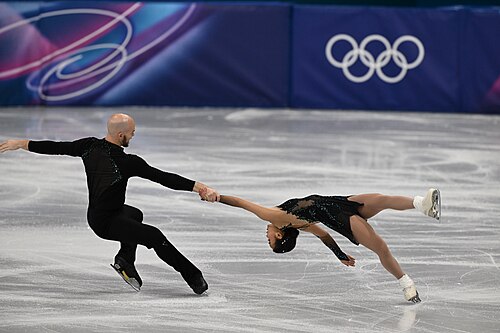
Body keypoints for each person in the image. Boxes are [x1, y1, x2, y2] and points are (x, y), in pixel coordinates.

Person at [0, 113, 220, 295]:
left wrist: (22, 143)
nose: (133, 136)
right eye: (132, 133)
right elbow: (163, 177)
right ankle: (193, 276)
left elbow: (57, 147)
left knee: (135, 214)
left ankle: (125, 259)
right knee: (155, 237)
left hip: (99, 215)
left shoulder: (88, 146)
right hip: (107, 223)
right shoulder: (127, 162)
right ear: (121, 134)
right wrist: (199, 187)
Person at [218, 189, 441, 303]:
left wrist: (339, 254)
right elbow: (240, 203)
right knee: (381, 248)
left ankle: (423, 206)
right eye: (270, 240)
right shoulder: (274, 217)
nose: (267, 236)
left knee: (382, 199)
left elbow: (323, 236)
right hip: (342, 219)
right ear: (279, 234)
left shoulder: (297, 223)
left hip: (341, 201)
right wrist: (216, 197)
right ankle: (406, 284)